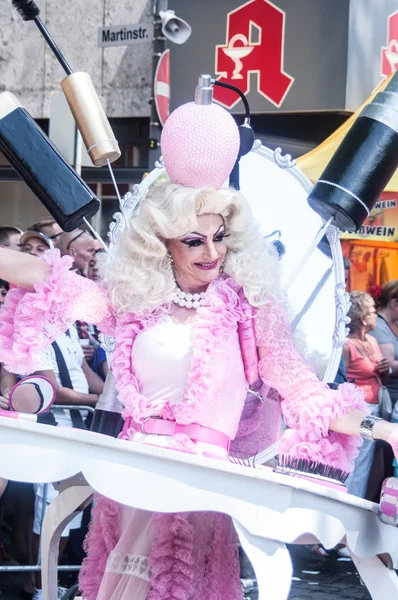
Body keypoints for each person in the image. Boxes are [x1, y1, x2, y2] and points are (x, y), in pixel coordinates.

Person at [1, 96, 398, 599]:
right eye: (194, 240)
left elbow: (304, 391)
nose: (212, 253)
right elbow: (41, 277)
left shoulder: (248, 310)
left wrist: (381, 428)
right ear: (160, 243)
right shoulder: (134, 306)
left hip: (200, 489)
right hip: (129, 480)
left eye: (219, 237)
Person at [343, 292, 390, 498]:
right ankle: (347, 499)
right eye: (372, 312)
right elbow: (341, 382)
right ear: (362, 318)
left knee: (365, 461)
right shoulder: (347, 346)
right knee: (355, 461)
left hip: (375, 409)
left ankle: (356, 499)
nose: (375, 315)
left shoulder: (371, 341)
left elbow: (381, 375)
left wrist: (385, 369)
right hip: (357, 411)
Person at [370, 280, 398, 409]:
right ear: (394, 303)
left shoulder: (395, 323)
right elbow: (389, 366)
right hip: (391, 399)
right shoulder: (378, 326)